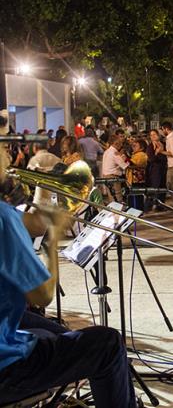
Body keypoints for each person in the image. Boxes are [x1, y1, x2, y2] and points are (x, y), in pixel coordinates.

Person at [0, 151, 137, 408]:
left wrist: (42, 184)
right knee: (107, 343)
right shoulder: (3, 218)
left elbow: (34, 224)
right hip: (7, 371)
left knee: (54, 331)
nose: (8, 159)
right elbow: (43, 294)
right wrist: (53, 242)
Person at [27, 142, 61, 207]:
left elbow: (30, 182)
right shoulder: (57, 158)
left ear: (35, 148)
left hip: (40, 197)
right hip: (54, 195)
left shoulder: (34, 159)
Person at [145, 129, 168, 212]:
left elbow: (166, 156)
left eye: (154, 134)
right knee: (153, 188)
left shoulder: (164, 145)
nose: (153, 136)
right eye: (151, 135)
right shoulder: (150, 147)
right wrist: (157, 152)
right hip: (154, 169)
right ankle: (148, 206)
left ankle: (160, 205)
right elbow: (151, 159)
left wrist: (162, 151)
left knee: (162, 187)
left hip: (163, 168)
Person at [101, 134, 128, 202]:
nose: (121, 145)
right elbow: (124, 166)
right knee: (117, 197)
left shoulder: (107, 151)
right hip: (113, 177)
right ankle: (118, 212)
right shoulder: (114, 153)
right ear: (116, 143)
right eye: (120, 143)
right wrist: (127, 160)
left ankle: (113, 211)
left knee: (111, 197)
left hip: (105, 176)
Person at [125, 139, 148, 210]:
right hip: (132, 179)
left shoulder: (142, 155)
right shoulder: (135, 154)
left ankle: (137, 210)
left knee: (137, 195)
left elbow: (133, 164)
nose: (133, 147)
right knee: (132, 195)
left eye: (135, 146)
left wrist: (125, 156)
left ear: (142, 148)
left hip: (137, 179)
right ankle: (133, 209)